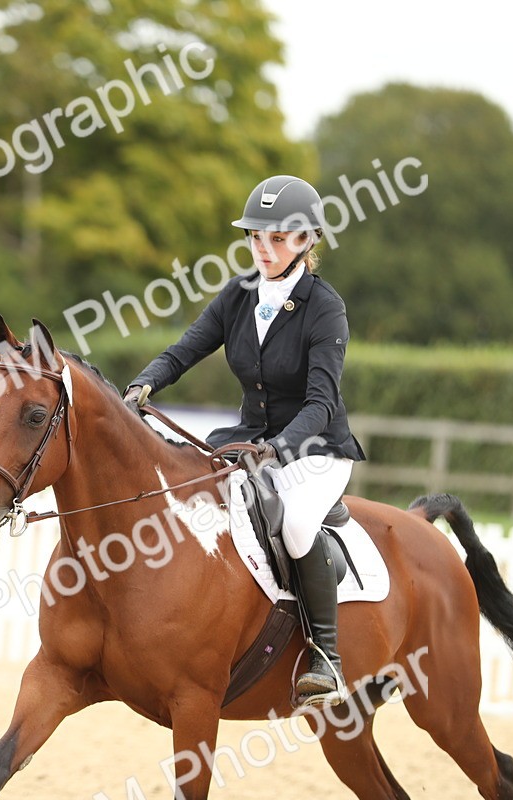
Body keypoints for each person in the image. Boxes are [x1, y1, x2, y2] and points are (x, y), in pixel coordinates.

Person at [123, 175, 366, 706]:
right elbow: (185, 349)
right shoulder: (239, 294)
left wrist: (281, 448)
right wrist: (144, 383)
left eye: (277, 239)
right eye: (257, 237)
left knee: (298, 523)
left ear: (306, 241)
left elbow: (321, 403)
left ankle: (326, 656)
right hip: (247, 439)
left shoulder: (326, 308)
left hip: (314, 448)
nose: (264, 249)